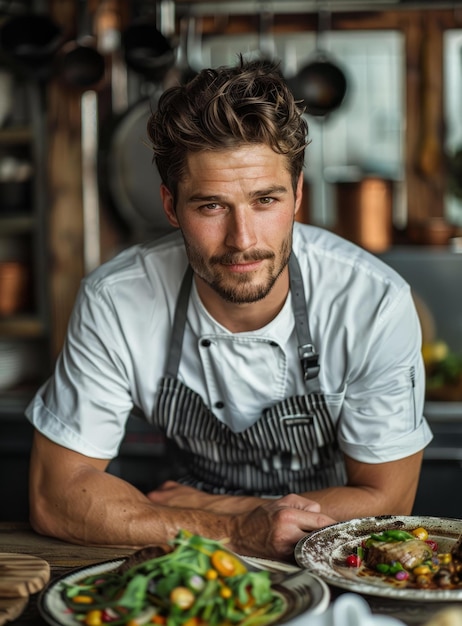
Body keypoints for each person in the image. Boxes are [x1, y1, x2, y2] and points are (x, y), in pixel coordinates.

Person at [26, 57, 432, 561]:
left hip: (333, 565)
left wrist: (217, 507)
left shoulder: (372, 303)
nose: (243, 241)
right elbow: (55, 497)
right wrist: (236, 532)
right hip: (184, 564)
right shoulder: (116, 299)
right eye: (211, 206)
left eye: (265, 200)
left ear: (298, 194)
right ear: (171, 206)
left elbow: (387, 502)